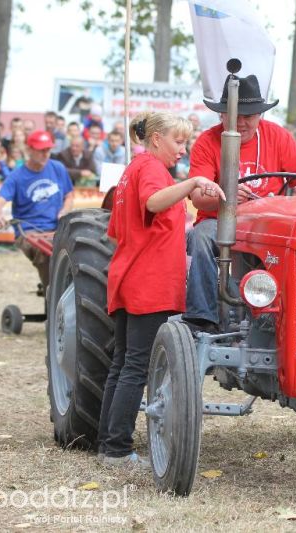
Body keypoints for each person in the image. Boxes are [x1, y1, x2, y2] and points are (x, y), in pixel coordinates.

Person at [96, 111, 223, 468]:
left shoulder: (133, 170)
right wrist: (193, 182)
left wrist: (185, 185)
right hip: (147, 284)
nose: (183, 149)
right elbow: (153, 202)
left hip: (129, 277)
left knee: (122, 365)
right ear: (156, 139)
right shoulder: (151, 169)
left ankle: (108, 443)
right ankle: (118, 449)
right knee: (136, 367)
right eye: (178, 141)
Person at [183, 72, 296, 331]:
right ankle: (202, 317)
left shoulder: (278, 136)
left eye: (248, 116)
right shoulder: (207, 142)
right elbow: (197, 196)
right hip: (220, 221)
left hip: (269, 226)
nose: (241, 123)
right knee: (200, 236)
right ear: (221, 115)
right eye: (234, 115)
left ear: (260, 115)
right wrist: (221, 196)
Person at [0, 130, 74, 288]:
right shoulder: (17, 176)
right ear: (29, 150)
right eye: (41, 150)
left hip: (56, 228)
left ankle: (64, 290)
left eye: (48, 150)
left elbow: (69, 195)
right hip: (29, 232)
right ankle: (52, 292)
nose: (45, 154)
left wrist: (64, 210)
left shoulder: (58, 168)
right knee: (45, 252)